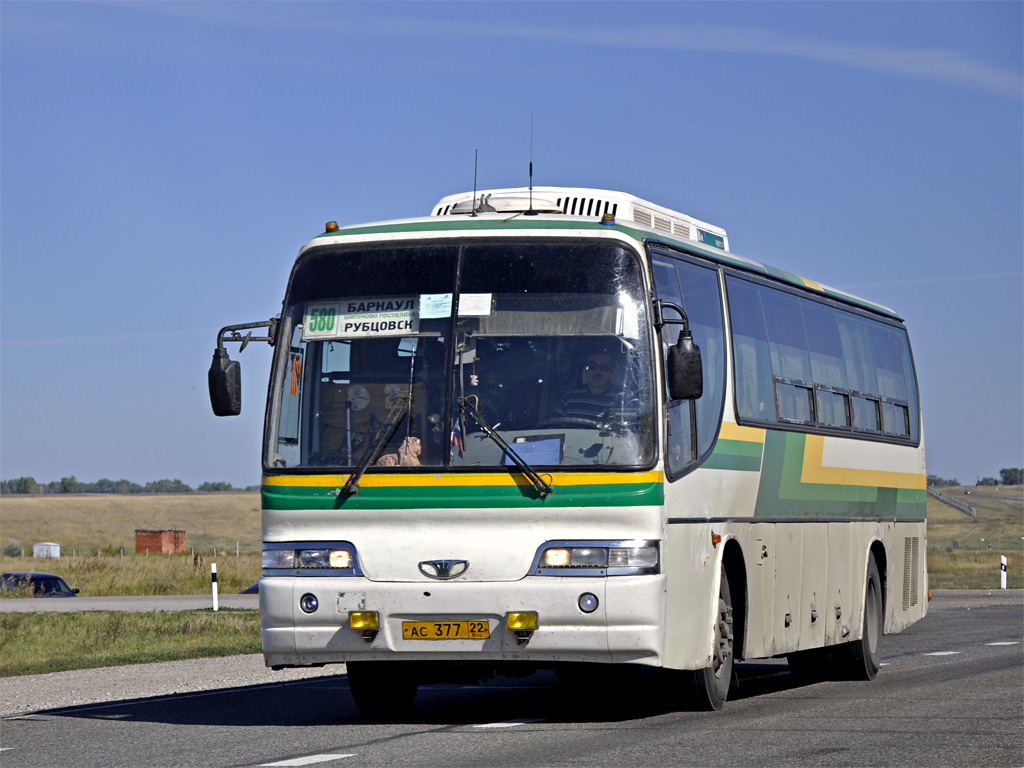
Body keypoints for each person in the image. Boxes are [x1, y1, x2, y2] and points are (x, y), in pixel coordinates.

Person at [555, 349, 639, 425]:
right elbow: (554, 429)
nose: (597, 371)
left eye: (604, 368)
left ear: (612, 372)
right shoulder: (569, 398)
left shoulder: (624, 397)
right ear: (586, 370)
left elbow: (644, 414)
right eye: (592, 366)